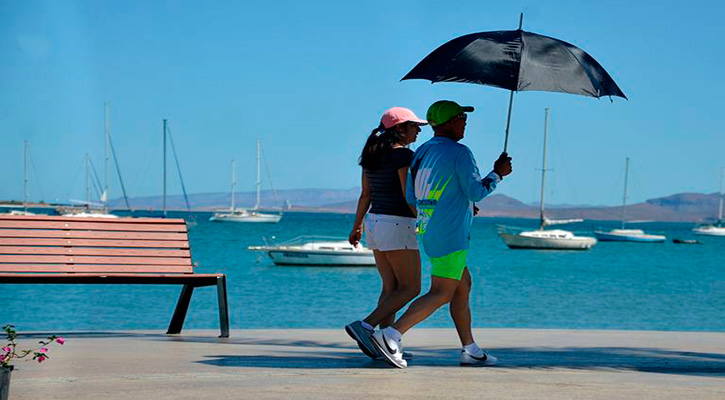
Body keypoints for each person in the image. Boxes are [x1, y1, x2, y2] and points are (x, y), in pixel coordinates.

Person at [370, 100, 513, 368]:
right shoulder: (460, 152)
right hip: (452, 233)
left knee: (462, 286)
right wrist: (498, 173)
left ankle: (470, 348)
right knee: (441, 292)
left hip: (429, 230)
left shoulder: (422, 151)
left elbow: (412, 195)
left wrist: (456, 204)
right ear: (447, 122)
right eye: (460, 117)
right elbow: (476, 191)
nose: (464, 121)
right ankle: (391, 335)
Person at [345, 107, 427, 360]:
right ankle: (366, 326)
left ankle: (381, 345)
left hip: (374, 222)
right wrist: (425, 220)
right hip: (397, 223)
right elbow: (407, 195)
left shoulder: (371, 154)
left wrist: (357, 225)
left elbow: (365, 194)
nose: (419, 130)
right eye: (414, 126)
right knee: (411, 288)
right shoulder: (403, 155)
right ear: (400, 129)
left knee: (390, 287)